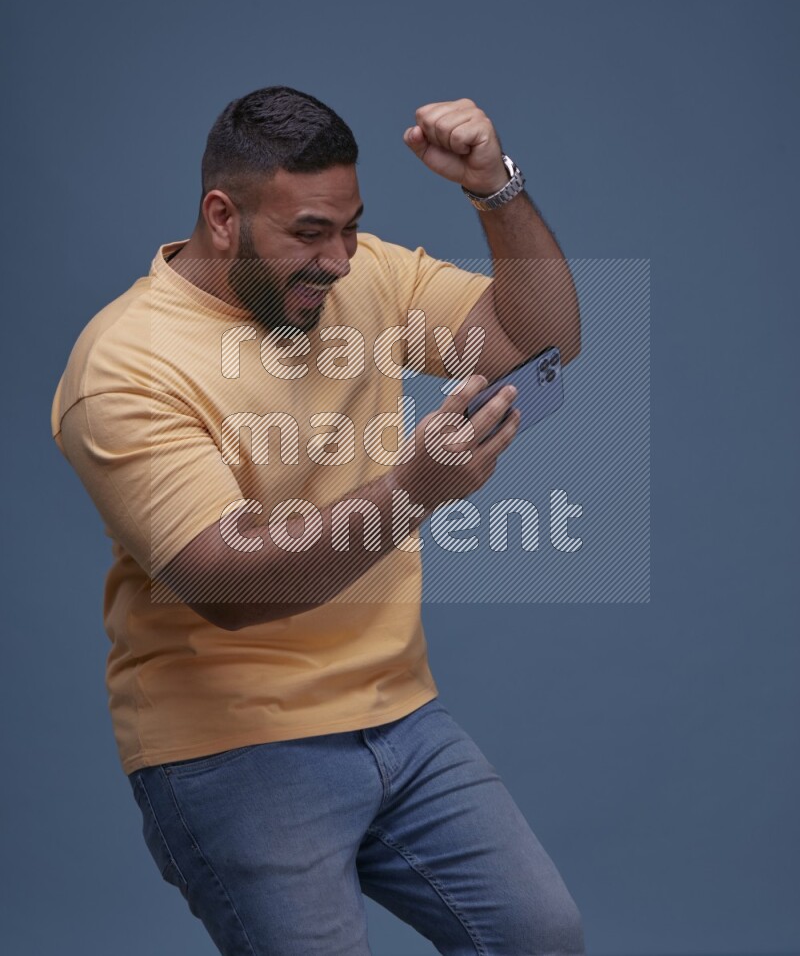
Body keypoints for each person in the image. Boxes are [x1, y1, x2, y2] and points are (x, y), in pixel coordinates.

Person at [51, 86, 585, 955]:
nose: (339, 260)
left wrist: (495, 189)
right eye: (308, 232)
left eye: (349, 226)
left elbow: (544, 341)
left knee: (541, 937)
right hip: (231, 745)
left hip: (399, 715)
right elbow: (228, 584)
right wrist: (416, 489)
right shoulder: (124, 366)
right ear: (223, 217)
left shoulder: (366, 275)